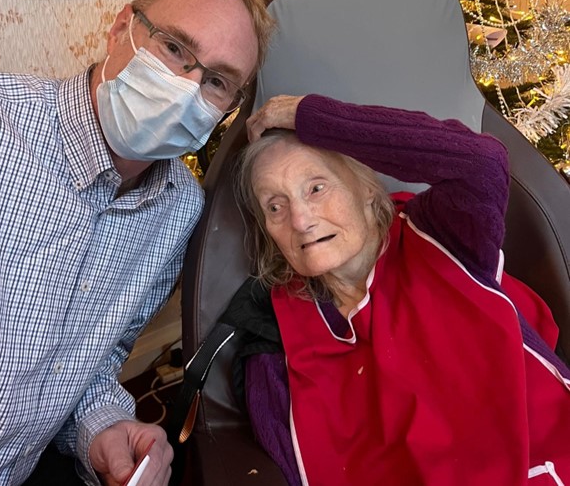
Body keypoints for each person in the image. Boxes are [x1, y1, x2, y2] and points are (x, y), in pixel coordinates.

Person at [0, 0, 274, 486]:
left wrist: (106, 430)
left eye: (218, 81)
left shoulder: (179, 211)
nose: (186, 87)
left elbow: (90, 364)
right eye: (176, 49)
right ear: (121, 29)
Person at [234, 93, 570, 486]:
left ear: (366, 191)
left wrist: (311, 116)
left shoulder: (442, 235)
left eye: (317, 188)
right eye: (274, 206)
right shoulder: (273, 341)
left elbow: (481, 161)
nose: (301, 220)